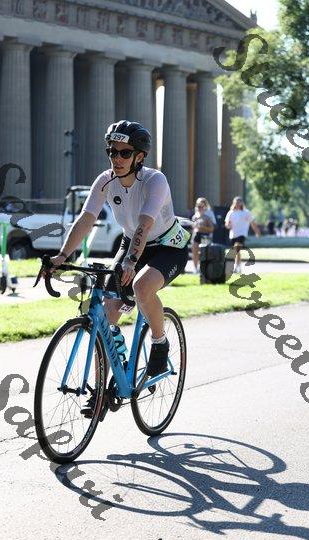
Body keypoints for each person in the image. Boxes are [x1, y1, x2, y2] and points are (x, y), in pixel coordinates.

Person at [47, 120, 190, 415]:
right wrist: (61, 256)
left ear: (139, 156)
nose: (117, 158)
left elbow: (145, 223)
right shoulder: (105, 180)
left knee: (141, 286)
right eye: (112, 151)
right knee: (106, 314)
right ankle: (101, 392)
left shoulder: (155, 181)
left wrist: (131, 261)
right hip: (130, 243)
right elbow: (86, 219)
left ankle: (159, 342)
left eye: (125, 152)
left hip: (167, 247)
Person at [224, 196, 260, 273]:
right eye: (236, 202)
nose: (237, 204)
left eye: (238, 202)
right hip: (233, 234)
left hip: (242, 234)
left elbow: (252, 223)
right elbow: (227, 224)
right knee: (236, 251)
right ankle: (238, 266)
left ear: (241, 203)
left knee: (237, 247)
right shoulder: (231, 212)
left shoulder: (246, 212)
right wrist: (228, 225)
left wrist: (257, 232)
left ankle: (237, 267)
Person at [191, 197, 214, 273]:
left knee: (204, 253)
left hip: (205, 236)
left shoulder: (207, 216)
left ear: (204, 207)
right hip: (196, 235)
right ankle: (195, 268)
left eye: (201, 206)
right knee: (195, 252)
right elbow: (193, 228)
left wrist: (202, 227)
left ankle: (204, 268)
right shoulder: (194, 216)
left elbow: (212, 228)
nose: (199, 208)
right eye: (198, 206)